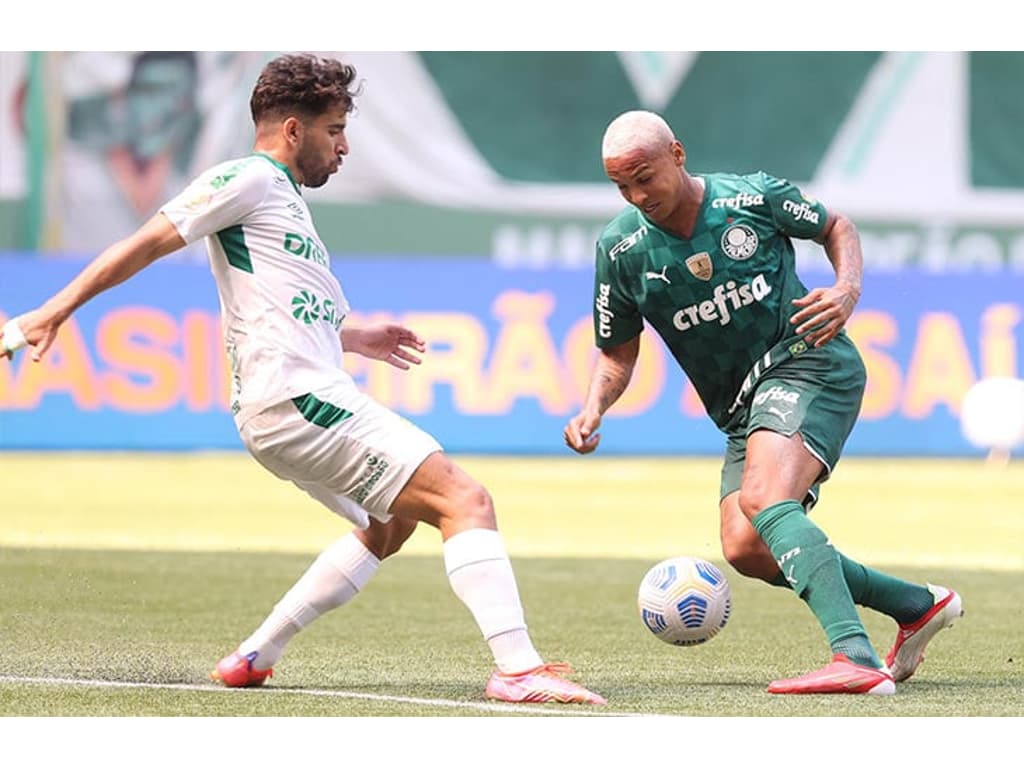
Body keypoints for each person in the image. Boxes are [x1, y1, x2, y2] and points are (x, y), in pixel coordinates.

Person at [0, 53, 604, 706]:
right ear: (293, 130)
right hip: (298, 400)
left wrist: (354, 336)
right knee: (465, 499)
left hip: (289, 401)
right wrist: (51, 311)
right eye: (335, 129)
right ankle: (516, 669)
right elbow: (145, 242)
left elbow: (275, 307)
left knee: (390, 526)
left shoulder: (278, 198)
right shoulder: (247, 179)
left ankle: (254, 656)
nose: (343, 147)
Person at [563, 110, 962, 695]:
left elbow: (838, 225)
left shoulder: (751, 198)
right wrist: (593, 407)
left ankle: (854, 656)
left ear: (677, 153)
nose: (636, 194)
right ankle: (915, 605)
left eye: (644, 176)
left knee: (764, 497)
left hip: (809, 362)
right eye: (622, 185)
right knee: (746, 547)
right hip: (741, 410)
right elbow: (617, 353)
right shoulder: (622, 249)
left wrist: (847, 290)